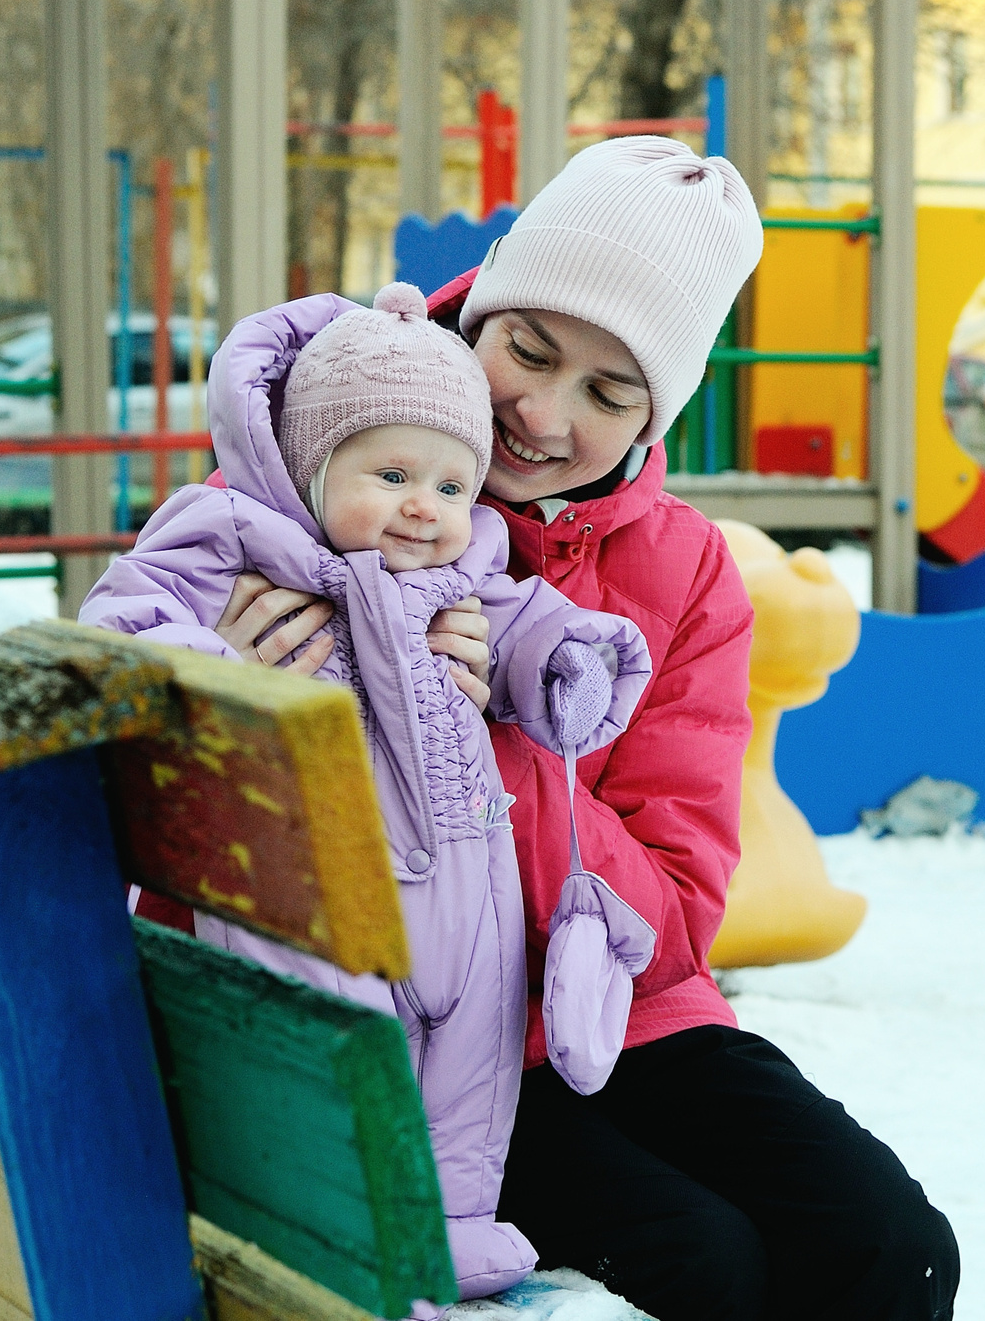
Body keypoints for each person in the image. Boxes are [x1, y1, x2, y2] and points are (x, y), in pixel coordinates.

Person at [205, 139, 960, 1321]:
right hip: (399, 1030)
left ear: (658, 413)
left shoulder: (684, 573)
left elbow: (674, 915)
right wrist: (227, 687)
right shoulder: (311, 472)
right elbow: (135, 762)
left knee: (884, 1241)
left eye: (609, 394)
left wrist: (494, 732)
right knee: (698, 1262)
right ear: (479, 314)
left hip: (607, 1012)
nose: (540, 416)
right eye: (529, 350)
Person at [79, 282, 654, 1301]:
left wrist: (569, 662)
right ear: (310, 464)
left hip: (468, 885)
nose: (423, 506)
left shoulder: (467, 557)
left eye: (447, 482)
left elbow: (524, 624)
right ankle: (344, 1230)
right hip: (308, 879)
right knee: (339, 1062)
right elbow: (123, 626)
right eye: (389, 473)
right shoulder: (235, 536)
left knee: (466, 1076)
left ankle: (453, 1227)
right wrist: (216, 662)